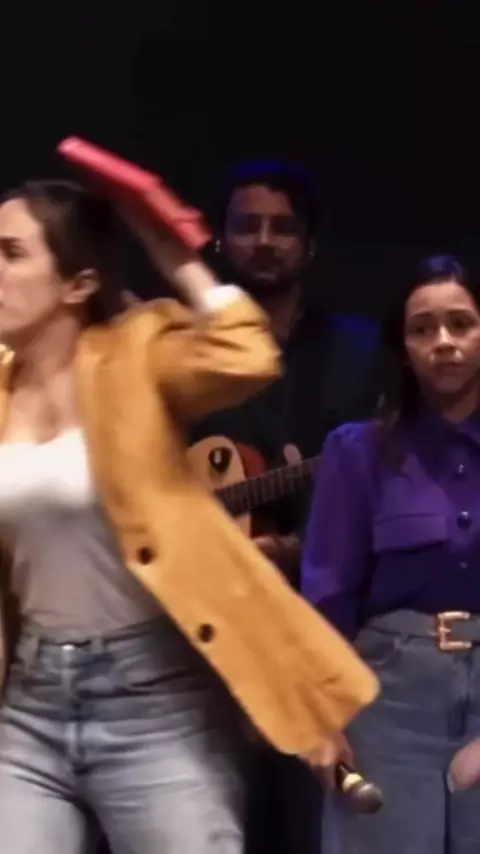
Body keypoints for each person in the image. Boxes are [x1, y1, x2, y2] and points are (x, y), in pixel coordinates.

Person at [0, 178, 377, 854]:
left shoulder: (134, 352)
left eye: (10, 252)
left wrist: (174, 255)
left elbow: (245, 354)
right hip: (30, 700)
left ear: (77, 283)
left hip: (153, 700)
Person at [190, 159, 380, 854]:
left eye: (283, 228)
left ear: (310, 245)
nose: (264, 241)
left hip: (321, 626)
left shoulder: (360, 351)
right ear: (220, 239)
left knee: (310, 824)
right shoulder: (178, 349)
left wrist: (295, 549)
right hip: (199, 632)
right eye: (247, 226)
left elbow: (383, 485)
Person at [302, 253, 480, 854]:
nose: (443, 341)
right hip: (388, 695)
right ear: (403, 349)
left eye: (461, 323)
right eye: (422, 328)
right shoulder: (359, 452)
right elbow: (328, 593)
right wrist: (320, 716)